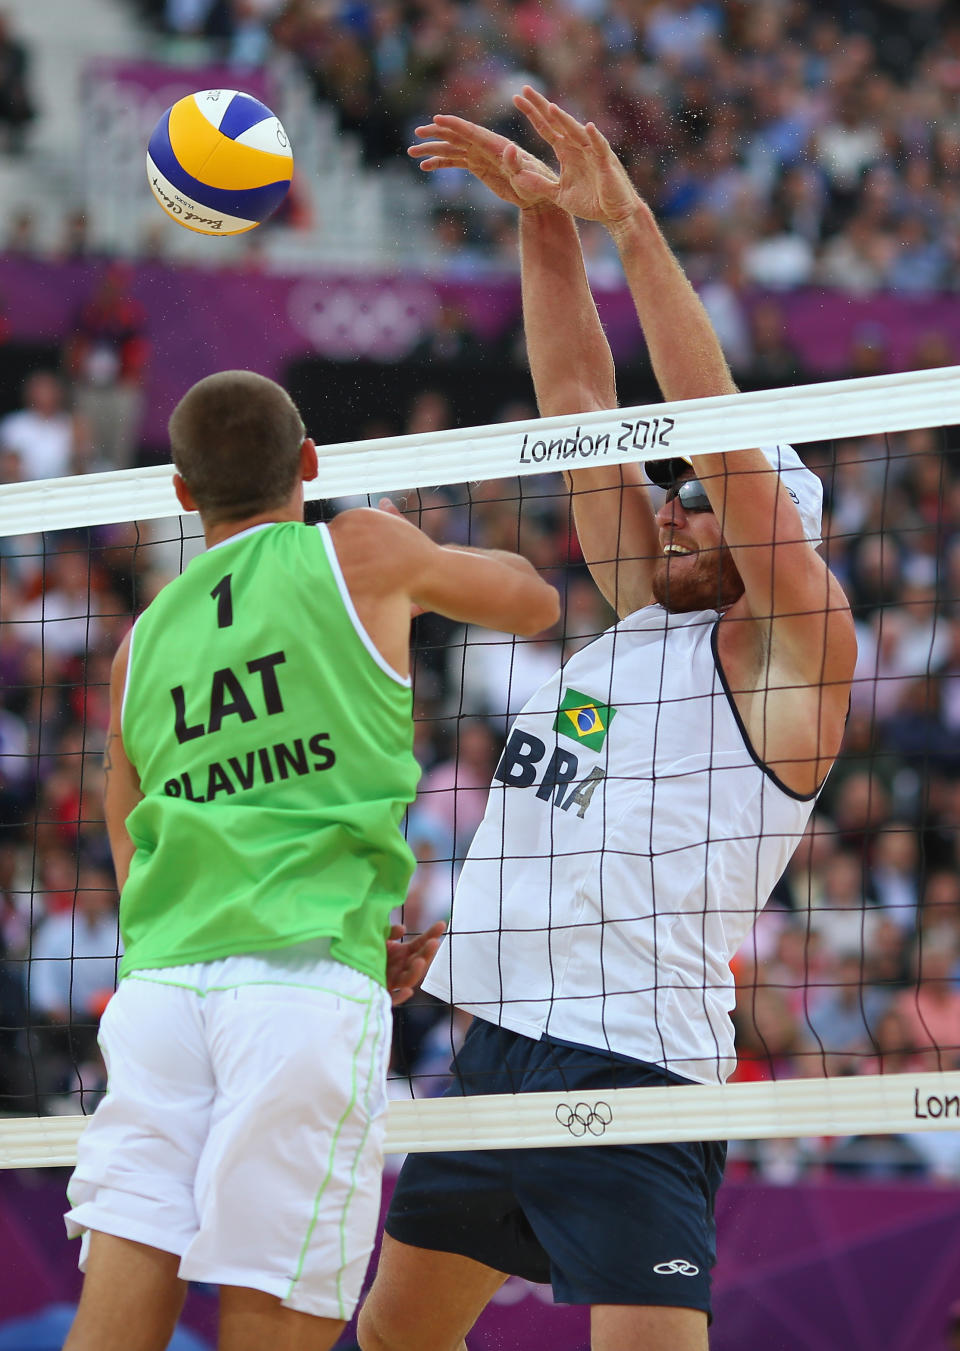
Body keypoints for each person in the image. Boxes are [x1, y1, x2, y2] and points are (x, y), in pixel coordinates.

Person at [358, 89, 856, 1351]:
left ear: (766, 531)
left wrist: (627, 214)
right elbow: (580, 392)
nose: (673, 509)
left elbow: (722, 440)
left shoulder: (795, 655)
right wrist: (543, 216)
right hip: (498, 1048)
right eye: (671, 495)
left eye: (697, 498)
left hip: (633, 1073)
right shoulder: (644, 613)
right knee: (392, 1339)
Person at [61, 369, 559, 1351]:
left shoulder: (142, 638)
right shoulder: (358, 549)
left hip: (160, 993)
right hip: (295, 993)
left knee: (116, 1309)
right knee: (274, 1317)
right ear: (309, 464)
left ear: (179, 489)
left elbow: (131, 838)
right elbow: (534, 602)